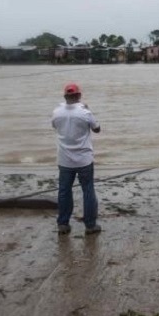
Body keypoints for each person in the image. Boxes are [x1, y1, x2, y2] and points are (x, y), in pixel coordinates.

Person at [51, 82, 102, 236]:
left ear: (65, 96)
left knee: (64, 191)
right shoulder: (84, 112)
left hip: (64, 160)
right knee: (88, 190)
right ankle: (90, 225)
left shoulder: (56, 112)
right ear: (79, 96)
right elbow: (97, 129)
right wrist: (87, 109)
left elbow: (55, 126)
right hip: (84, 160)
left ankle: (63, 224)